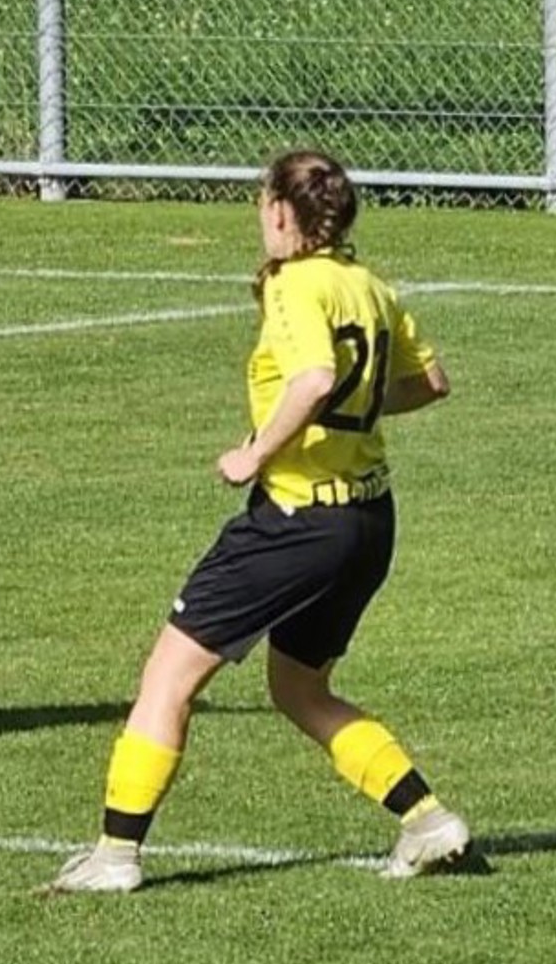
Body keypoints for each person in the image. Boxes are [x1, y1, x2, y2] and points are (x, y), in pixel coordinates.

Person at [46, 150, 470, 893]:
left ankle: (114, 856)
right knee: (301, 689)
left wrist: (256, 451)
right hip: (368, 520)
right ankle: (427, 820)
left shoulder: (293, 283)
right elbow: (428, 382)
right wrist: (350, 411)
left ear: (280, 211)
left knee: (168, 677)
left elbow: (314, 377)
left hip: (298, 522)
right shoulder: (369, 285)